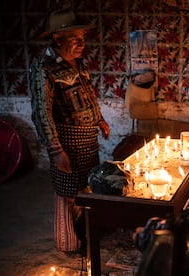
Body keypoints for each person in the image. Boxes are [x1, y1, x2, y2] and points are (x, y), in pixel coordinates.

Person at [30, 8, 110, 256]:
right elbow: (41, 112)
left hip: (88, 142)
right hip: (67, 144)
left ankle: (84, 230)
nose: (81, 43)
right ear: (57, 38)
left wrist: (100, 119)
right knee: (66, 193)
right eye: (75, 38)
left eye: (83, 38)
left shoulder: (77, 64)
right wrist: (56, 151)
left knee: (87, 189)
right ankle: (68, 243)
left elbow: (87, 96)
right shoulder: (44, 68)